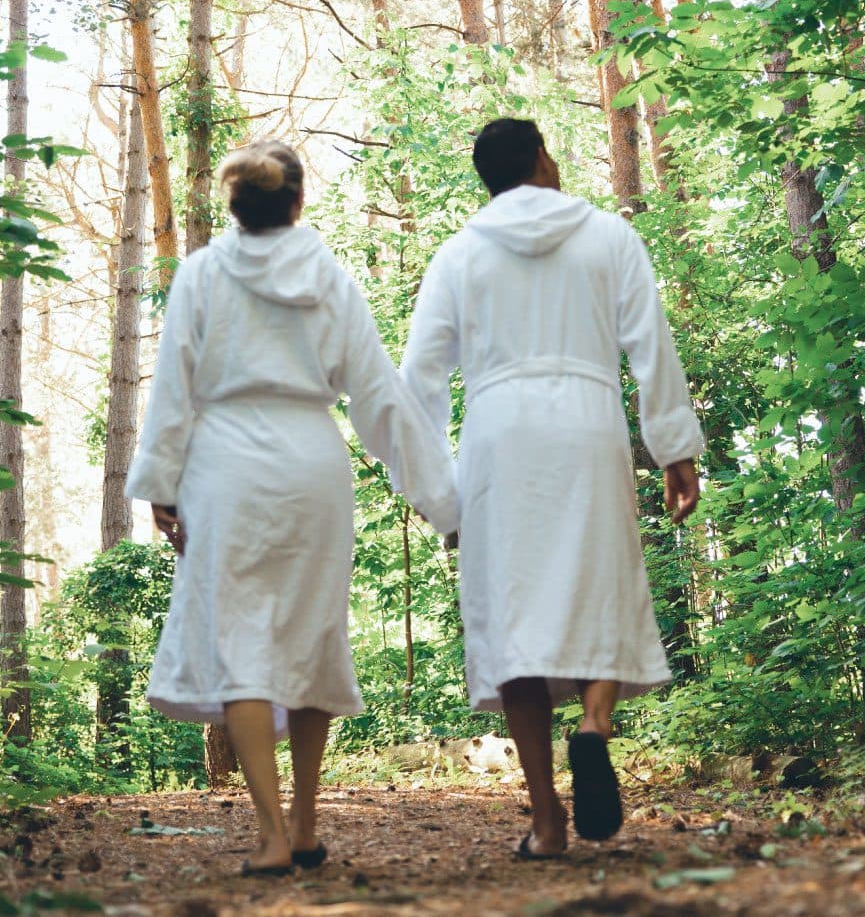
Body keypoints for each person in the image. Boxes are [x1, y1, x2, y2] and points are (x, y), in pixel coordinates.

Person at [125, 140, 459, 876]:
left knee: (242, 649)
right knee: (311, 641)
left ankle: (273, 835)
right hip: (312, 465)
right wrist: (445, 502)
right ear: (298, 202)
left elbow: (174, 386)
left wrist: (162, 484)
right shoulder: (330, 280)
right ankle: (307, 825)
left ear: (234, 208)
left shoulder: (202, 275)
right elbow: (378, 397)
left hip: (224, 469)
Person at [400, 118, 702, 858]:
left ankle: (546, 820)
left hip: (500, 439)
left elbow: (417, 381)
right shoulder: (607, 237)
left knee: (511, 624)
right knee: (599, 588)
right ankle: (594, 729)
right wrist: (675, 447)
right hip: (589, 426)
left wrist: (435, 489)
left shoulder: (458, 255)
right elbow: (649, 344)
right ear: (540, 159)